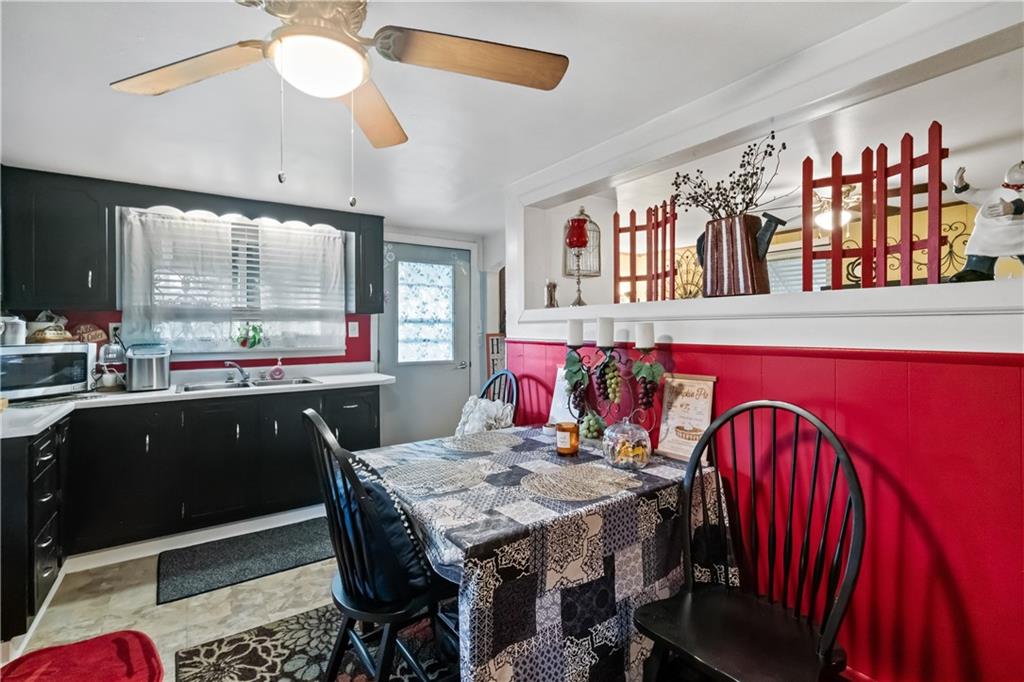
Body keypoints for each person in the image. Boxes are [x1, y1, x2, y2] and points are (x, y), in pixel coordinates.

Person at [949, 161, 1024, 282]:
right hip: (989, 234)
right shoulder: (996, 192)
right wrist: (960, 185)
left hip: (1020, 232)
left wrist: (1013, 207)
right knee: (980, 246)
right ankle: (977, 269)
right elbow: (974, 195)